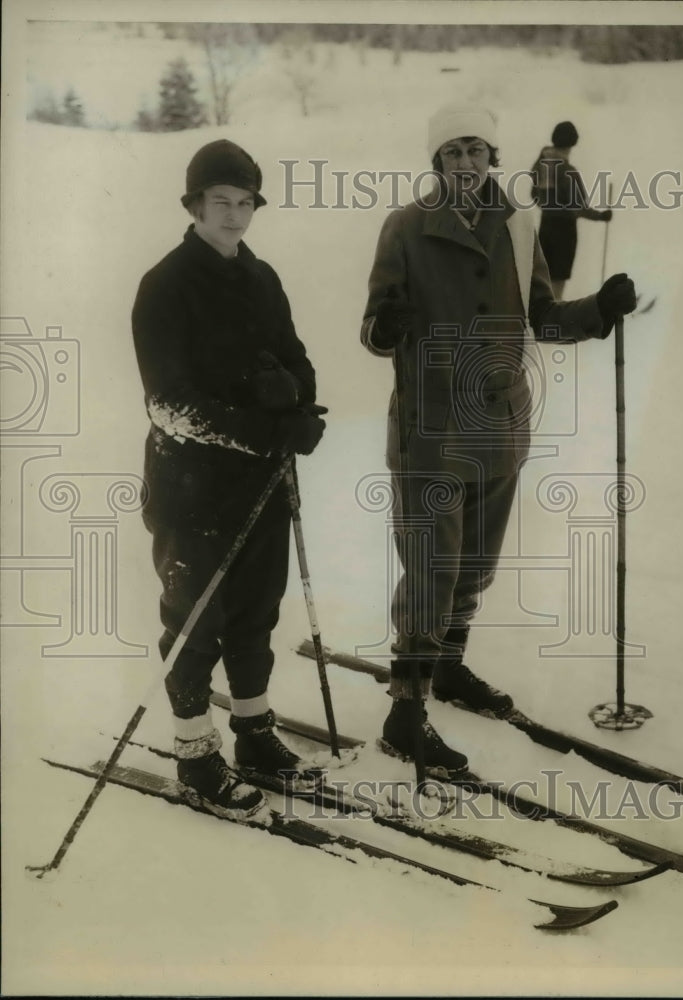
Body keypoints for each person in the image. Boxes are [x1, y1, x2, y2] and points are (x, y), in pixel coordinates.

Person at [360, 104, 635, 777]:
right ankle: (404, 714)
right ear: (436, 162)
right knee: (431, 570)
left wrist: (597, 310)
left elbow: (540, 316)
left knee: (476, 562)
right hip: (431, 425)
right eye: (451, 153)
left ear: (490, 157)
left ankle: (448, 671)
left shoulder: (514, 224)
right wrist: (387, 325)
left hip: (500, 419)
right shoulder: (402, 227)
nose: (463, 164)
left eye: (474, 151)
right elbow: (372, 331)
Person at [132, 139, 326, 820]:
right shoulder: (166, 284)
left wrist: (298, 406)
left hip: (261, 482)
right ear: (194, 204)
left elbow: (297, 360)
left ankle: (253, 735)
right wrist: (266, 425)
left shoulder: (262, 277)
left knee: (254, 612)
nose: (235, 215)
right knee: (194, 622)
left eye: (245, 203)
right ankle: (193, 755)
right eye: (222, 201)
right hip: (192, 487)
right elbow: (170, 404)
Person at [530, 121, 612, 298]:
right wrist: (601, 216)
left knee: (545, 276)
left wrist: (549, 206)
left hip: (546, 225)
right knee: (558, 280)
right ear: (571, 144)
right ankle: (554, 316)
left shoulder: (541, 166)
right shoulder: (569, 172)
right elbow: (579, 208)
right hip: (564, 231)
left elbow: (534, 196)